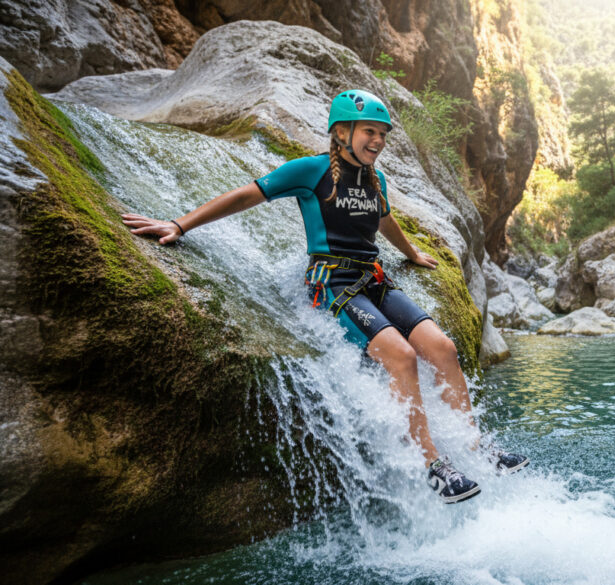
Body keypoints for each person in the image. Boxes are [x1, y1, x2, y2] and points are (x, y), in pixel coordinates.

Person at [122, 89, 528, 504]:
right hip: (330, 284)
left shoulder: (376, 179)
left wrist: (411, 254)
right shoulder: (311, 171)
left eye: (383, 135)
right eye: (370, 132)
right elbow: (248, 194)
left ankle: (478, 448)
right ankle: (433, 466)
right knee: (402, 356)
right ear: (341, 132)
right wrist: (180, 224)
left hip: (374, 280)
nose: (378, 141)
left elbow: (384, 219)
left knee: (442, 347)